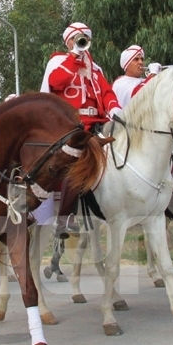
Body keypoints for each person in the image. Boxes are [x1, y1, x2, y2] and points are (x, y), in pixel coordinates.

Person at [40, 22, 121, 239]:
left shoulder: (96, 68)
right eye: (77, 39)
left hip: (96, 121)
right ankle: (64, 218)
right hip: (69, 124)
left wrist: (114, 108)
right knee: (77, 158)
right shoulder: (59, 61)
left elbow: (106, 92)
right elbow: (55, 82)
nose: (81, 42)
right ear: (68, 42)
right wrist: (74, 58)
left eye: (84, 38)